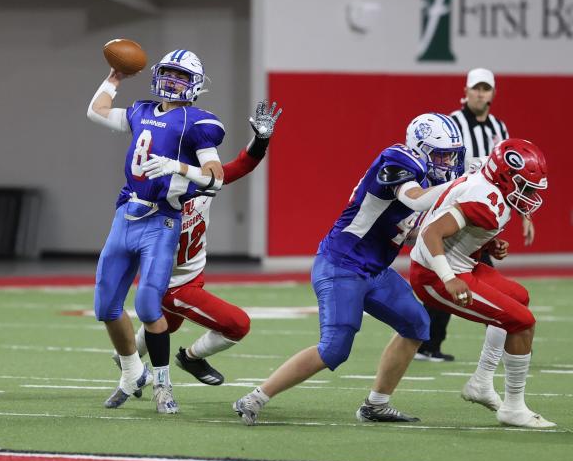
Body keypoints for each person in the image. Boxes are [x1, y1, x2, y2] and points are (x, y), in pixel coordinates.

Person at [232, 113, 464, 425]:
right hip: (341, 265)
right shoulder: (399, 159)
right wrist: (461, 186)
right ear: (420, 148)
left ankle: (376, 405)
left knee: (418, 324)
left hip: (374, 270)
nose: (448, 163)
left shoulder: (430, 179)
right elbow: (416, 199)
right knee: (334, 350)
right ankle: (257, 397)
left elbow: (407, 232)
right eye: (442, 155)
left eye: (452, 155)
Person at [87, 48, 225, 414]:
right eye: (168, 72)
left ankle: (163, 385)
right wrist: (114, 78)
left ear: (194, 84)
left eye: (181, 76)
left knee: (149, 305)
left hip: (162, 220)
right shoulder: (141, 111)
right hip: (127, 215)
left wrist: (176, 166)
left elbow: (216, 177)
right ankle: (133, 372)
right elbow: (96, 111)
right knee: (105, 306)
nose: (172, 81)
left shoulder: (197, 123)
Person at [114, 101, 281, 385]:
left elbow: (241, 165)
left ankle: (127, 359)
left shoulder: (204, 180)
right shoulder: (155, 189)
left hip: (191, 274)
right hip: (172, 282)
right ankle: (190, 358)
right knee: (237, 324)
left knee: (169, 323)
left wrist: (262, 140)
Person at [409, 138, 553, 429]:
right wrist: (448, 278)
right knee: (522, 322)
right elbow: (432, 233)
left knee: (520, 297)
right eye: (525, 186)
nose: (529, 195)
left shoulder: (486, 183)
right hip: (435, 275)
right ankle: (513, 407)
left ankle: (482, 381)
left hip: (461, 264)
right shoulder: (485, 200)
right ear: (505, 176)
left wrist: (488, 244)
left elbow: (456, 228)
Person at [416, 67, 526, 362]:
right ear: (465, 91)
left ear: (492, 93)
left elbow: (511, 173)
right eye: (475, 88)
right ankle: (427, 341)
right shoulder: (451, 124)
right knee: (450, 274)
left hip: (481, 212)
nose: (480, 93)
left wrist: (524, 216)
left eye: (485, 89)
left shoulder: (498, 128)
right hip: (458, 208)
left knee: (464, 274)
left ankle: (427, 341)